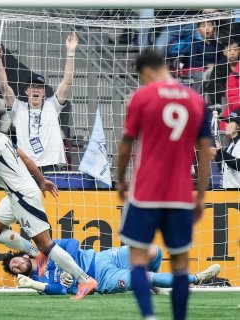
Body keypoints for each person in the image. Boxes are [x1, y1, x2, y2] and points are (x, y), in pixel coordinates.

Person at [0, 103, 98, 300]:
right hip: (14, 195)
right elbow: (23, 156)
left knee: (46, 245)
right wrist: (41, 180)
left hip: (23, 196)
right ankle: (34, 252)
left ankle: (84, 279)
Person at [117, 49, 211, 320]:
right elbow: (205, 150)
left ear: (145, 71)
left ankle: (149, 316)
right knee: (180, 264)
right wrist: (200, 195)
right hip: (180, 196)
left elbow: (125, 146)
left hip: (145, 194)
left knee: (137, 259)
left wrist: (121, 181)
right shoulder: (196, 100)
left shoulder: (143, 96)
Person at [2, 239, 220, 296]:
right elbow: (58, 291)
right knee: (145, 276)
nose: (19, 266)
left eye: (16, 262)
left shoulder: (45, 252)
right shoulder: (40, 282)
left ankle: (154, 287)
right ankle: (197, 278)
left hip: (104, 257)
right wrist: (34, 285)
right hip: (103, 279)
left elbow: (73, 244)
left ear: (22, 255)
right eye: (16, 269)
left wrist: (68, 268)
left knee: (154, 251)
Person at [0, 33, 78, 172]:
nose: (36, 89)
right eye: (32, 87)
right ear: (26, 91)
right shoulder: (18, 107)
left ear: (44, 92)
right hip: (26, 166)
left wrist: (70, 52)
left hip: (52, 165)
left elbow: (67, 82)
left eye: (39, 87)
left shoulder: (52, 105)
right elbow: (4, 87)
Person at [215, 110, 240, 188]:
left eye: (229, 122)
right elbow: (224, 165)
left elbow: (238, 165)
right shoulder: (231, 144)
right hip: (229, 192)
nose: (226, 125)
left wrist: (220, 151)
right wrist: (216, 152)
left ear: (238, 126)